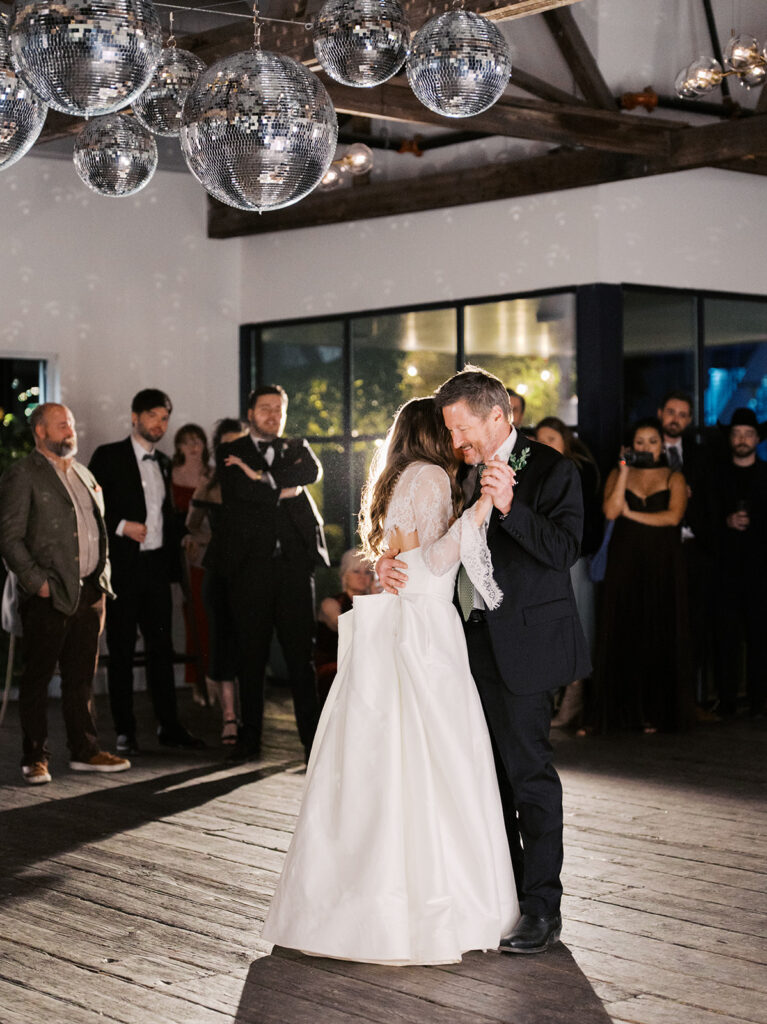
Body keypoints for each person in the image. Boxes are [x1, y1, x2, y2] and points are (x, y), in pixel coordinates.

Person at [262, 397, 518, 964]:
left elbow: (400, 556)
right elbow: (429, 563)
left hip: (403, 623)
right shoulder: (429, 478)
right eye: (447, 430)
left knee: (386, 767)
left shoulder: (401, 476)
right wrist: (478, 511)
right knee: (431, 763)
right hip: (423, 632)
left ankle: (358, 907)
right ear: (432, 435)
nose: (456, 440)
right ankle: (431, 908)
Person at [381, 366, 590, 955]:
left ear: (498, 416)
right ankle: (504, 898)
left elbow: (564, 551)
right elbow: (436, 549)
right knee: (485, 778)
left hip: (523, 647)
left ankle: (542, 908)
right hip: (463, 646)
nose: (455, 442)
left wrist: (510, 508)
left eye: (461, 429)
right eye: (449, 432)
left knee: (528, 776)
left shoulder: (554, 470)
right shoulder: (459, 472)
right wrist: (392, 566)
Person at [0, 403, 130, 783]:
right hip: (48, 593)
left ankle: (85, 750)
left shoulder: (84, 474)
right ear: (40, 432)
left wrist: (101, 576)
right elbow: (8, 538)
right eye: (61, 425)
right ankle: (34, 756)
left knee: (80, 676)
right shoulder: (23, 474)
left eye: (70, 424)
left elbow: (98, 529)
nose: (69, 430)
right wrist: (36, 582)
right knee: (39, 676)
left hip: (91, 592)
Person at [217, 386, 329, 763]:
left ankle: (311, 741)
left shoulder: (297, 446)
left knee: (302, 657)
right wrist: (282, 487)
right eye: (265, 408)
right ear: (250, 412)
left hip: (296, 570)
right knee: (251, 656)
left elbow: (312, 472)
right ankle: (250, 739)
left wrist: (259, 478)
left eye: (279, 409)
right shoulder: (230, 451)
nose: (273, 415)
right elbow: (241, 495)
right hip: (251, 570)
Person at [89, 389, 204, 753]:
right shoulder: (108, 456)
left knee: (162, 649)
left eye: (165, 418)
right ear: (135, 417)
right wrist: (122, 526)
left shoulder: (166, 462)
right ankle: (125, 731)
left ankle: (169, 726)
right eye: (153, 416)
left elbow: (166, 516)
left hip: (156, 568)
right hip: (123, 567)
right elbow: (90, 508)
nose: (160, 424)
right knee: (121, 650)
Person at [595, 417, 690, 734]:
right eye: (640, 441)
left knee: (659, 629)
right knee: (624, 629)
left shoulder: (675, 477)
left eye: (652, 441)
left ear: (662, 444)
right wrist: (623, 471)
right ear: (630, 445)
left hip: (663, 563)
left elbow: (673, 517)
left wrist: (632, 515)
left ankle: (656, 712)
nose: (646, 447)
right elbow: (610, 511)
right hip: (625, 562)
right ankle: (624, 714)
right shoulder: (617, 472)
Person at [692, 408, 767, 717]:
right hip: (723, 569)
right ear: (730, 438)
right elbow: (703, 518)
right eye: (737, 434)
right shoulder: (716, 475)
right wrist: (725, 521)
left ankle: (760, 700)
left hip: (761, 570)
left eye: (748, 434)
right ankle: (727, 698)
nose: (742, 439)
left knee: (761, 636)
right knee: (725, 636)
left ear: (757, 438)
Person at [534, 417, 601, 729]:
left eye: (552, 439)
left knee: (576, 624)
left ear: (565, 442)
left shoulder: (576, 471)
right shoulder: (534, 474)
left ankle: (575, 695)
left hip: (572, 558)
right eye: (540, 439)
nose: (545, 445)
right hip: (544, 561)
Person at [186, 417, 246, 744]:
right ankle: (229, 716)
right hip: (220, 573)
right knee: (222, 645)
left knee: (249, 644)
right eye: (227, 444)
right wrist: (213, 542)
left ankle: (249, 714)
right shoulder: (210, 484)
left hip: (252, 574)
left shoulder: (259, 480)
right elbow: (191, 526)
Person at [171, 423, 211, 705]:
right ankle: (197, 681)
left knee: (212, 615)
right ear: (179, 446)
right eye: (187, 442)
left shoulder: (211, 474)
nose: (193, 446)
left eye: (198, 440)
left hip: (212, 550)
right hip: (185, 553)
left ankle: (215, 679)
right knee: (194, 614)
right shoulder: (170, 474)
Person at [314, 548, 375, 705]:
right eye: (356, 571)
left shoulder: (375, 603)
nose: (362, 577)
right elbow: (352, 633)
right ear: (345, 575)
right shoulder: (331, 604)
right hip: (334, 668)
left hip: (363, 664)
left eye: (367, 572)